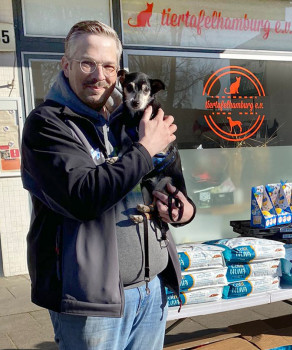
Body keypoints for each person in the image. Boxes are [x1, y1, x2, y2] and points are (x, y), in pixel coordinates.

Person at [20, 20, 195, 349]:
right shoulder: (47, 124)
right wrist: (145, 149)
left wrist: (183, 209)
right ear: (66, 64)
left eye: (108, 66)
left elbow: (168, 179)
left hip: (151, 289)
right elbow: (83, 196)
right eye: (87, 62)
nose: (99, 75)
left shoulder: (128, 120)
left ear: (119, 73)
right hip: (92, 304)